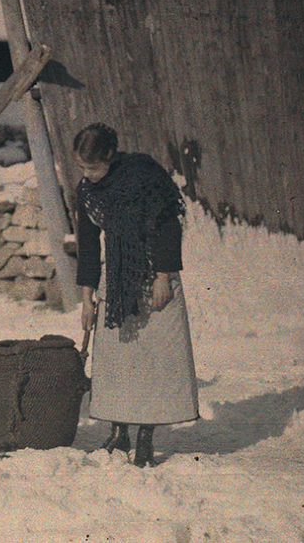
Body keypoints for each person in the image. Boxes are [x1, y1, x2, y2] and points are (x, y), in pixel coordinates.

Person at [73, 123, 199, 467]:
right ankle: (118, 431)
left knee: (152, 360)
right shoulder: (87, 190)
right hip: (115, 278)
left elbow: (167, 225)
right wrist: (87, 295)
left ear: (110, 158)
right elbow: (87, 244)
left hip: (150, 274)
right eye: (82, 168)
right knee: (116, 361)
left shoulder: (143, 175)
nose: (87, 174)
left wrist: (163, 276)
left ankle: (146, 435)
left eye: (93, 167)